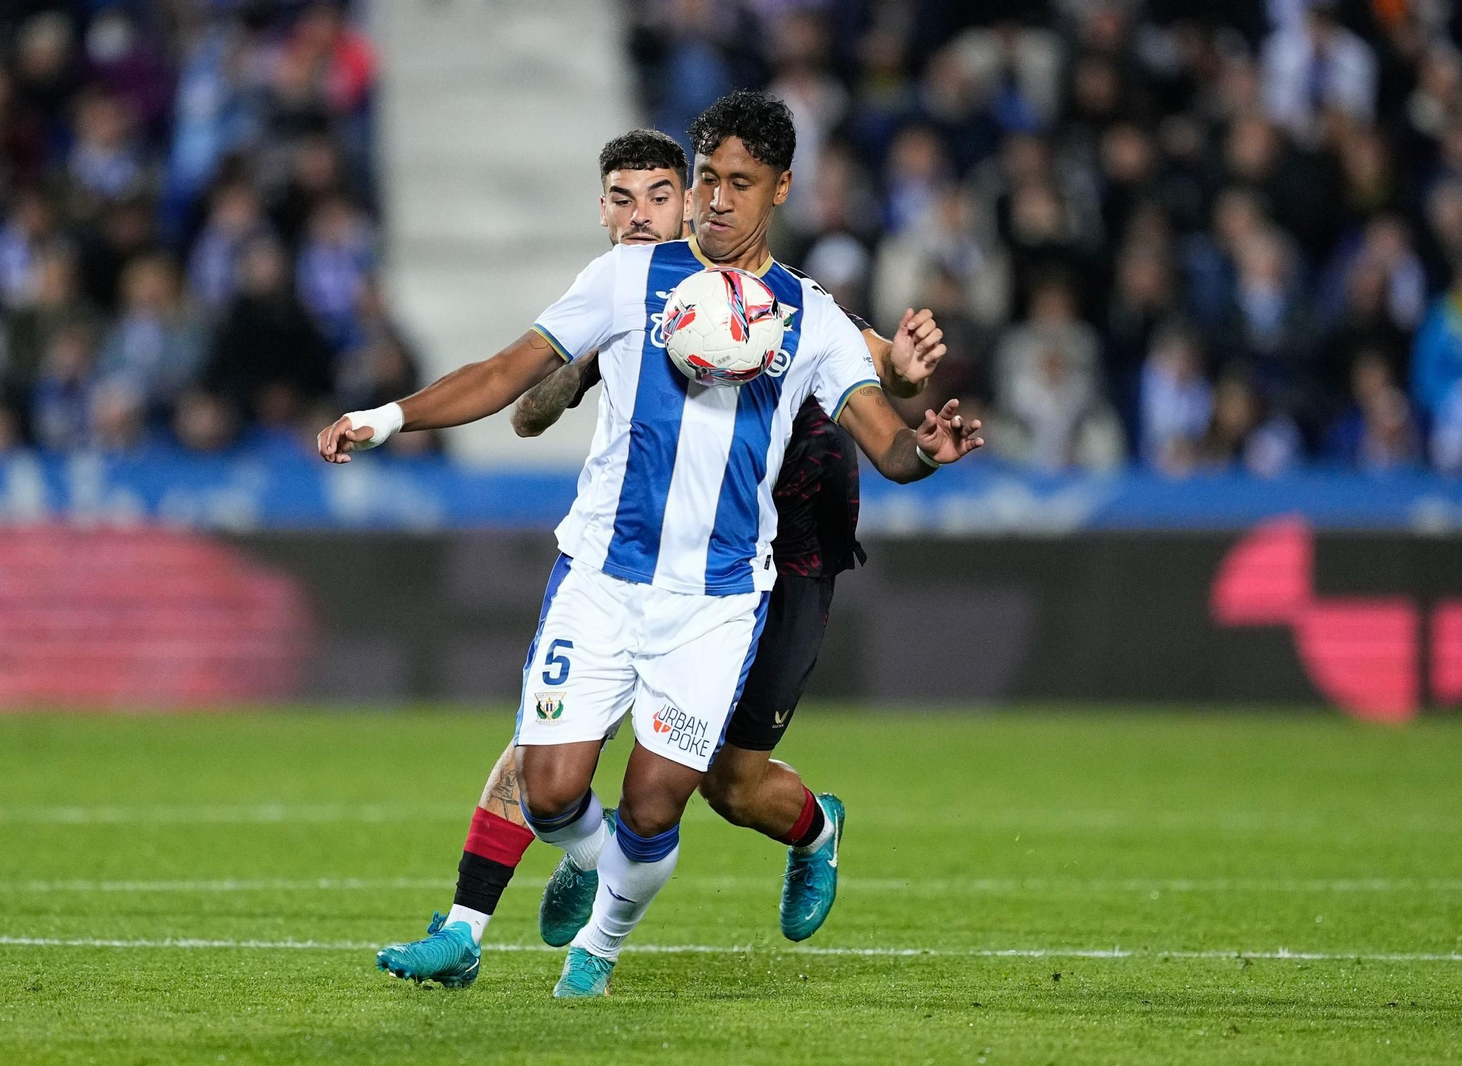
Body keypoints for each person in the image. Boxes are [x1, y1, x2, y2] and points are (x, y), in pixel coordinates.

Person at [316, 91, 981, 998]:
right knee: (549, 791)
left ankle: (597, 949)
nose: (714, 200)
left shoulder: (812, 319)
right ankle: (561, 877)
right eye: (705, 177)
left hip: (715, 603)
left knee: (665, 799)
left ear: (781, 189)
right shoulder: (628, 279)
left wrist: (925, 453)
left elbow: (885, 439)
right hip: (601, 576)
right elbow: (512, 376)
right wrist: (386, 416)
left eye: (737, 183)